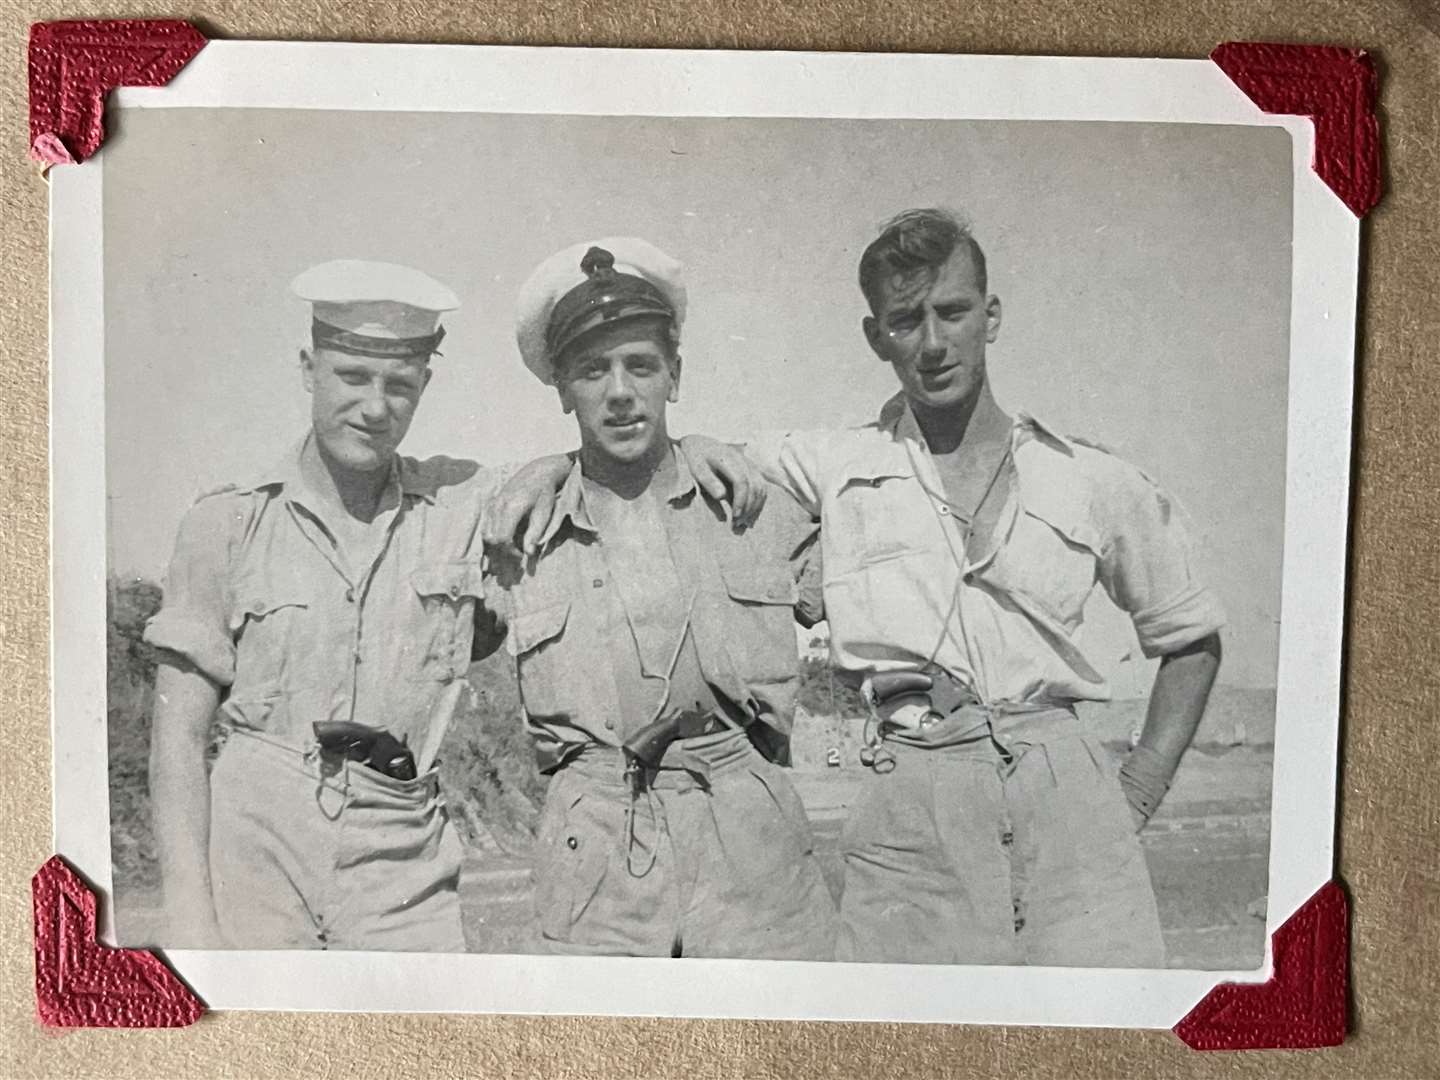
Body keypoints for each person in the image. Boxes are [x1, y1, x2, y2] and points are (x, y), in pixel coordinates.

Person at [493, 209, 1226, 967]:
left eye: (953, 312)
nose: (934, 343)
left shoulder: (1086, 476)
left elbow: (1190, 636)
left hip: (1065, 791)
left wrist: (1135, 791)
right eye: (907, 320)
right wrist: (544, 470)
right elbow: (647, 463)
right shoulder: (831, 465)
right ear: (878, 337)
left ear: (991, 315)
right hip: (912, 791)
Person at [487, 237, 837, 958]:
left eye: (641, 365)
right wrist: (545, 470)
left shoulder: (750, 500)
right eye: (592, 370)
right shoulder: (517, 528)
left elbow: (885, 519)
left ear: (674, 376)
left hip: (753, 845)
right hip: (595, 852)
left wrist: (744, 450)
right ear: (561, 389)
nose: (620, 391)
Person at [146, 259, 503, 951]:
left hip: (404, 850)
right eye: (352, 376)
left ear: (423, 387)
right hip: (257, 845)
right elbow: (178, 741)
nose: (375, 406)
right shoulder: (227, 523)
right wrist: (191, 922)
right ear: (309, 369)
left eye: (400, 385)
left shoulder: (461, 509)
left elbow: (579, 480)